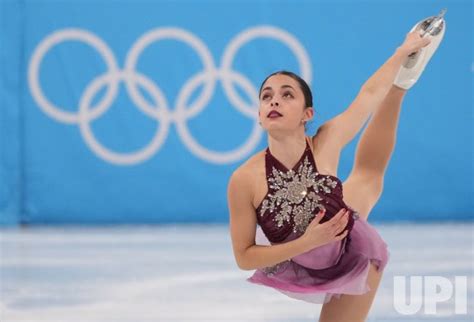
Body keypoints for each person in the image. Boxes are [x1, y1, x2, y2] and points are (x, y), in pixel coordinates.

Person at [227, 16, 445, 322]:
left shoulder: (323, 143)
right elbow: (244, 257)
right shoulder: (244, 180)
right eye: (267, 96)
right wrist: (307, 242)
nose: (274, 100)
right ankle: (400, 83)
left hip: (352, 249)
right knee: (364, 178)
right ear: (260, 116)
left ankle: (400, 85)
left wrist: (400, 53)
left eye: (287, 94)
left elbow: (367, 96)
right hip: (302, 258)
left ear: (307, 114)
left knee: (369, 175)